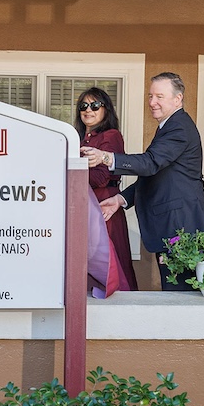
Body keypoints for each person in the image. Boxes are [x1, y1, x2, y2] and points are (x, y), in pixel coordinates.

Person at [87, 72, 204, 291]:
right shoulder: (169, 125)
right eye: (150, 96)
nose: (152, 102)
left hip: (181, 225)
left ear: (178, 99)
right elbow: (157, 175)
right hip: (173, 224)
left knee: (181, 296)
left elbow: (150, 163)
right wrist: (120, 199)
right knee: (175, 292)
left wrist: (106, 157)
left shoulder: (179, 127)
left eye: (159, 96)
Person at [76, 87, 138, 291]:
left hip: (104, 205)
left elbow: (101, 178)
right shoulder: (79, 138)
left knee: (110, 260)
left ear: (106, 109)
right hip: (85, 205)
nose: (88, 110)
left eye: (95, 105)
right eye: (84, 105)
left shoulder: (111, 136)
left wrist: (72, 171)